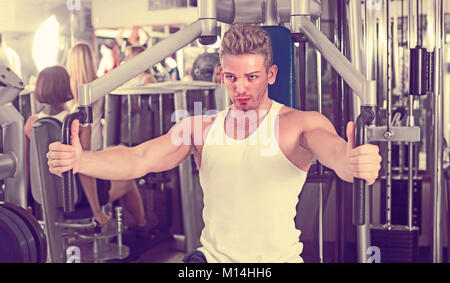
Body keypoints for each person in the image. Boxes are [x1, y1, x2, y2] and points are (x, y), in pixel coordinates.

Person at [47, 24, 382, 263]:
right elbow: (139, 159)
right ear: (221, 75)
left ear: (272, 74)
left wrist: (351, 163)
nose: (241, 89)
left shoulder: (299, 125)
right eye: (232, 78)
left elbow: (335, 151)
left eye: (252, 77)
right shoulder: (200, 128)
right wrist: (80, 160)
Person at [66, 43, 149, 232]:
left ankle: (130, 227)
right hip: (91, 164)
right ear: (91, 60)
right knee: (128, 180)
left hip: (69, 179)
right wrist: (96, 210)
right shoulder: (99, 87)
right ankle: (143, 228)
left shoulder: (68, 97)